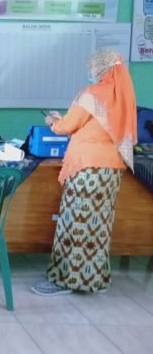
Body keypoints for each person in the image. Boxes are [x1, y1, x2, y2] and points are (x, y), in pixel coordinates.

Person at [31, 49, 137, 296]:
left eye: (92, 67)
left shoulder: (93, 93)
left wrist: (53, 121)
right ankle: (95, 280)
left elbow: (67, 126)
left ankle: (66, 281)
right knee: (99, 225)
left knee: (75, 221)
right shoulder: (122, 97)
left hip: (88, 168)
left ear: (102, 69)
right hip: (110, 170)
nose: (90, 72)